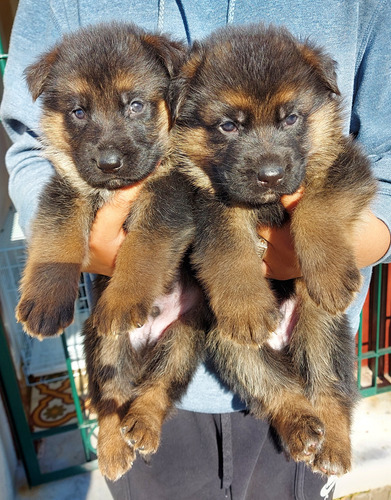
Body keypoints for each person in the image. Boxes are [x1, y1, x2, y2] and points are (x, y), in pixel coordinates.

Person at [1, 1, 391, 498]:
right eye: (229, 125)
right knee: (121, 331)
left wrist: (338, 241)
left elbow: (375, 164)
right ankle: (126, 409)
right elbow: (35, 154)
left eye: (291, 118)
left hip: (292, 326)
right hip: (196, 344)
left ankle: (324, 415)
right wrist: (80, 253)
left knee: (319, 325)